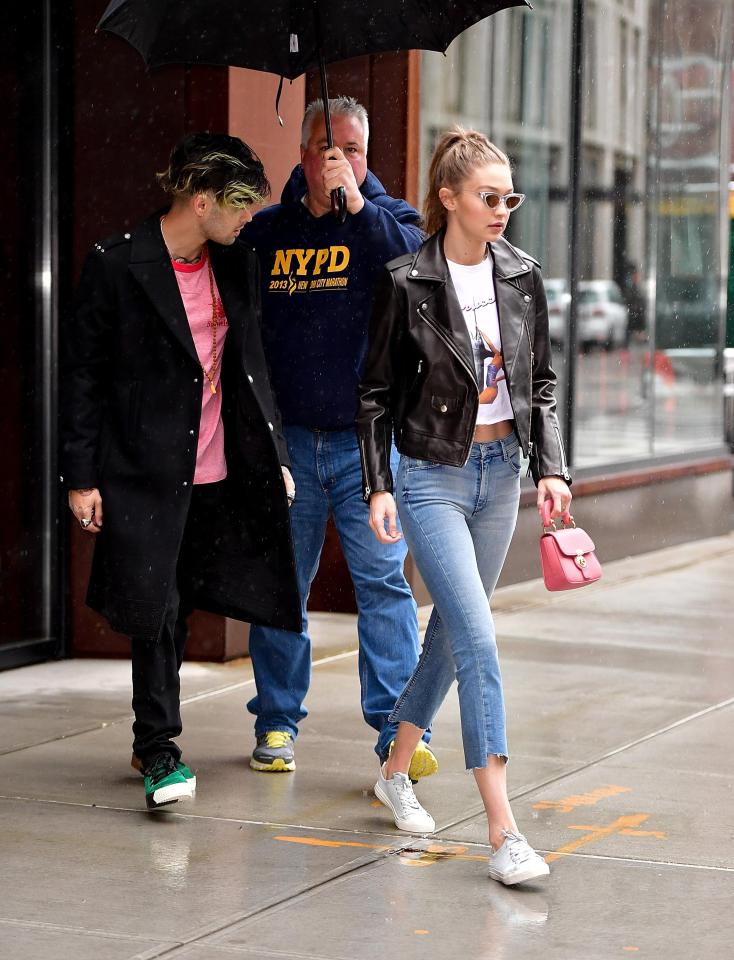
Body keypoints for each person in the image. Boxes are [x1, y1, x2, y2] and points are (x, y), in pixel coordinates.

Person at [356, 127, 572, 886]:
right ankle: (503, 830)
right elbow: (376, 393)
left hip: (500, 476)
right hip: (430, 477)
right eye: (489, 196)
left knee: (453, 631)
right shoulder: (405, 279)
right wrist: (378, 485)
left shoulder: (522, 275)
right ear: (448, 198)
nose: (503, 209)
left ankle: (393, 767)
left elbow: (539, 382)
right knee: (479, 641)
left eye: (509, 196)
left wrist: (551, 468)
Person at [60, 133, 301, 810]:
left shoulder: (236, 262)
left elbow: (253, 365)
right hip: (143, 468)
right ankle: (161, 747)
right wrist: (82, 477)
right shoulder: (116, 263)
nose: (248, 219)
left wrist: (276, 455)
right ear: (202, 202)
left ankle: (151, 735)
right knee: (156, 607)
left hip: (221, 466)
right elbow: (84, 379)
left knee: (186, 597)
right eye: (240, 207)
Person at [241, 96, 436, 779]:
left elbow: (418, 272)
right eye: (326, 146)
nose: (339, 158)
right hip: (289, 442)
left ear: (366, 154)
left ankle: (398, 735)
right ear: (301, 154)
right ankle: (275, 723)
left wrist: (356, 208)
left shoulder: (392, 222)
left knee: (383, 586)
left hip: (366, 448)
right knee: (279, 587)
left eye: (352, 147)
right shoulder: (269, 232)